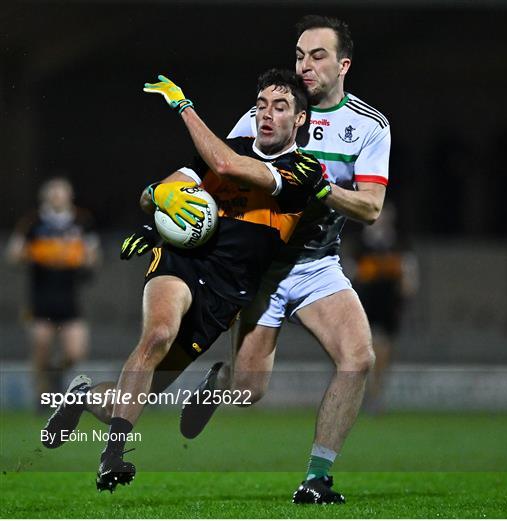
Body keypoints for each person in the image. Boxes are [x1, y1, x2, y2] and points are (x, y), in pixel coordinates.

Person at [41, 69, 329, 493]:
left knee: (135, 396)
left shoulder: (305, 171)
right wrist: (158, 197)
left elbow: (226, 166)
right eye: (261, 105)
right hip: (183, 263)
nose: (267, 115)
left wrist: (184, 105)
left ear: (300, 119)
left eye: (280, 107)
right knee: (157, 334)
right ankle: (113, 456)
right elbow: (155, 193)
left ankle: (81, 396)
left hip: (229, 291)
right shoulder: (225, 148)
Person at [180, 15, 390, 504]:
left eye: (317, 56)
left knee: (358, 358)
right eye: (299, 55)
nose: (305, 65)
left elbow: (371, 208)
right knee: (248, 391)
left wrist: (320, 187)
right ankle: (219, 384)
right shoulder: (273, 111)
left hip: (318, 265)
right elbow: (222, 165)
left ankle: (317, 478)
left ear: (343, 64)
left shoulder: (368, 126)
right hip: (260, 268)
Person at [5, 177, 101, 410]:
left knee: (75, 352)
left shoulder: (82, 221)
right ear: (45, 197)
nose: (58, 197)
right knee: (41, 347)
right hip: (40, 299)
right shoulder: (33, 222)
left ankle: (57, 376)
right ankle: (42, 397)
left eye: (62, 192)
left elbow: (94, 255)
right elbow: (13, 253)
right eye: (54, 193)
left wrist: (81, 257)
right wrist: (36, 253)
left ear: (70, 196)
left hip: (69, 299)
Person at [345, 202, 419, 413]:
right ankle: (357, 393)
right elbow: (348, 273)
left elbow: (409, 271)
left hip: (388, 304)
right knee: (359, 349)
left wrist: (407, 289)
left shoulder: (399, 243)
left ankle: (376, 394)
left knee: (383, 348)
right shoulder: (359, 243)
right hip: (363, 303)